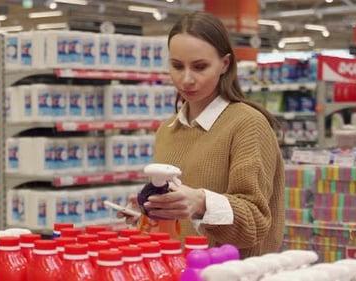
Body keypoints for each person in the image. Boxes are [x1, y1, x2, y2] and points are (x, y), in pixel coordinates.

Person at [118, 11, 285, 258]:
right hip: (177, 270)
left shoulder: (248, 125)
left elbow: (256, 220)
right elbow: (179, 223)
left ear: (224, 64)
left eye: (200, 67)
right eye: (177, 66)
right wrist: (150, 212)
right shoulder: (168, 130)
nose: (186, 79)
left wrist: (200, 203)